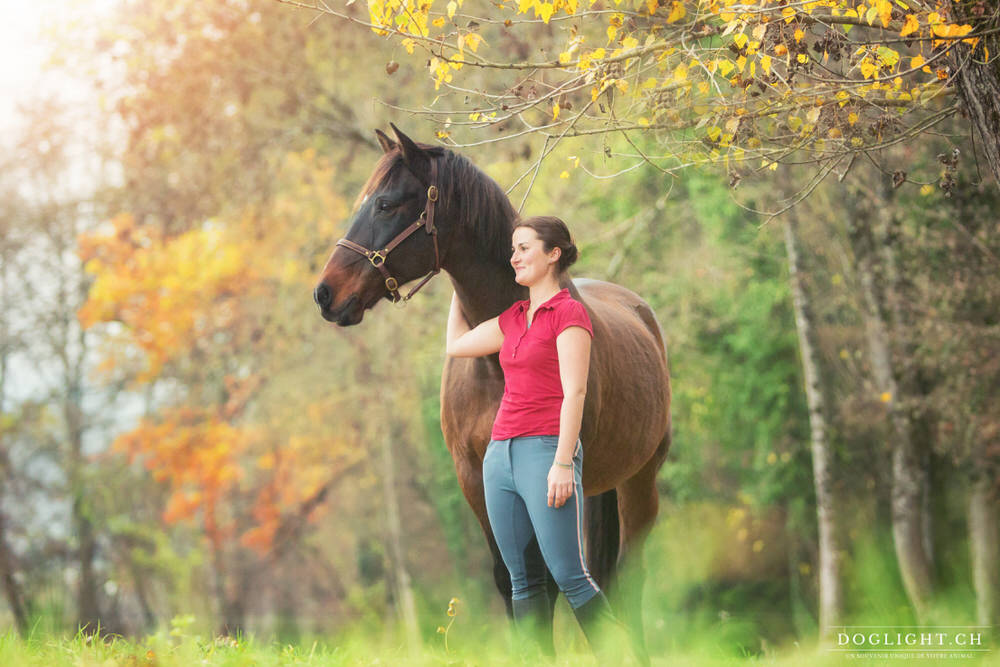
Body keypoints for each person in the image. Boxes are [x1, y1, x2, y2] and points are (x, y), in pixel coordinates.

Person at [445, 215, 624, 660]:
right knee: (521, 579)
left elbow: (576, 391)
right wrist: (455, 282)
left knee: (569, 575)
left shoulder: (570, 314)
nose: (514, 257)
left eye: (524, 247)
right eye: (513, 248)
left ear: (553, 254)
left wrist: (564, 462)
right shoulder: (512, 318)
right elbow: (456, 344)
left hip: (545, 452)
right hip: (499, 459)